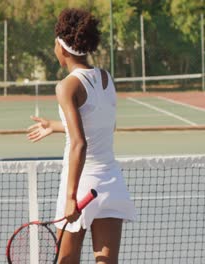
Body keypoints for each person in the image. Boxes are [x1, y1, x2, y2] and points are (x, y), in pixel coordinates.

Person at [27, 8, 136, 264]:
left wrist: (70, 198)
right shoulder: (106, 78)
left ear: (62, 48)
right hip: (111, 183)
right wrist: (55, 125)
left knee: (66, 260)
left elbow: (79, 143)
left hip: (82, 184)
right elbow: (101, 125)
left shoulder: (66, 86)